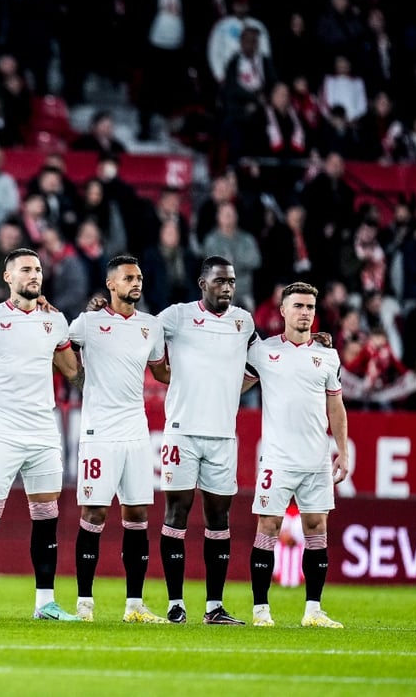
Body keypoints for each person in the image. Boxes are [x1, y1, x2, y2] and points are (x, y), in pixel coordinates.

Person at [0, 248, 81, 620]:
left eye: (38, 269)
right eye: (25, 269)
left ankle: (46, 603)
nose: (34, 275)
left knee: (46, 517)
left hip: (43, 428)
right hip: (2, 429)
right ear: (8, 277)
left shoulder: (54, 322)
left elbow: (73, 371)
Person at [153, 256, 255, 625]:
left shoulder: (244, 322)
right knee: (176, 514)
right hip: (182, 430)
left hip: (223, 436)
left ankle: (214, 606)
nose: (227, 287)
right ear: (202, 283)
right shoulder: (176, 316)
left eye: (231, 281)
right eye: (219, 281)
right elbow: (141, 334)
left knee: (218, 518)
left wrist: (309, 342)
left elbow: (264, 358)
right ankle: (174, 604)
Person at [68, 255, 169, 623]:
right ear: (111, 284)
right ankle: (84, 603)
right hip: (99, 431)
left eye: (139, 277)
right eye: (129, 278)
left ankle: (135, 605)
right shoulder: (88, 323)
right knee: (94, 512)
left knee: (138, 513)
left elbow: (160, 371)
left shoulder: (151, 326)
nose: (136, 283)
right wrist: (78, 383)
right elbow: (57, 348)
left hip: (136, 431)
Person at [243, 282, 348, 628]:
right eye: (298, 306)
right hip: (277, 459)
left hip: (316, 458)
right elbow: (237, 381)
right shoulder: (263, 352)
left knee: (316, 528)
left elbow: (336, 406)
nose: (305, 312)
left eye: (309, 307)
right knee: (268, 527)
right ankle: (261, 610)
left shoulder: (327, 356)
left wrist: (342, 453)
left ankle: (313, 611)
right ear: (283, 311)